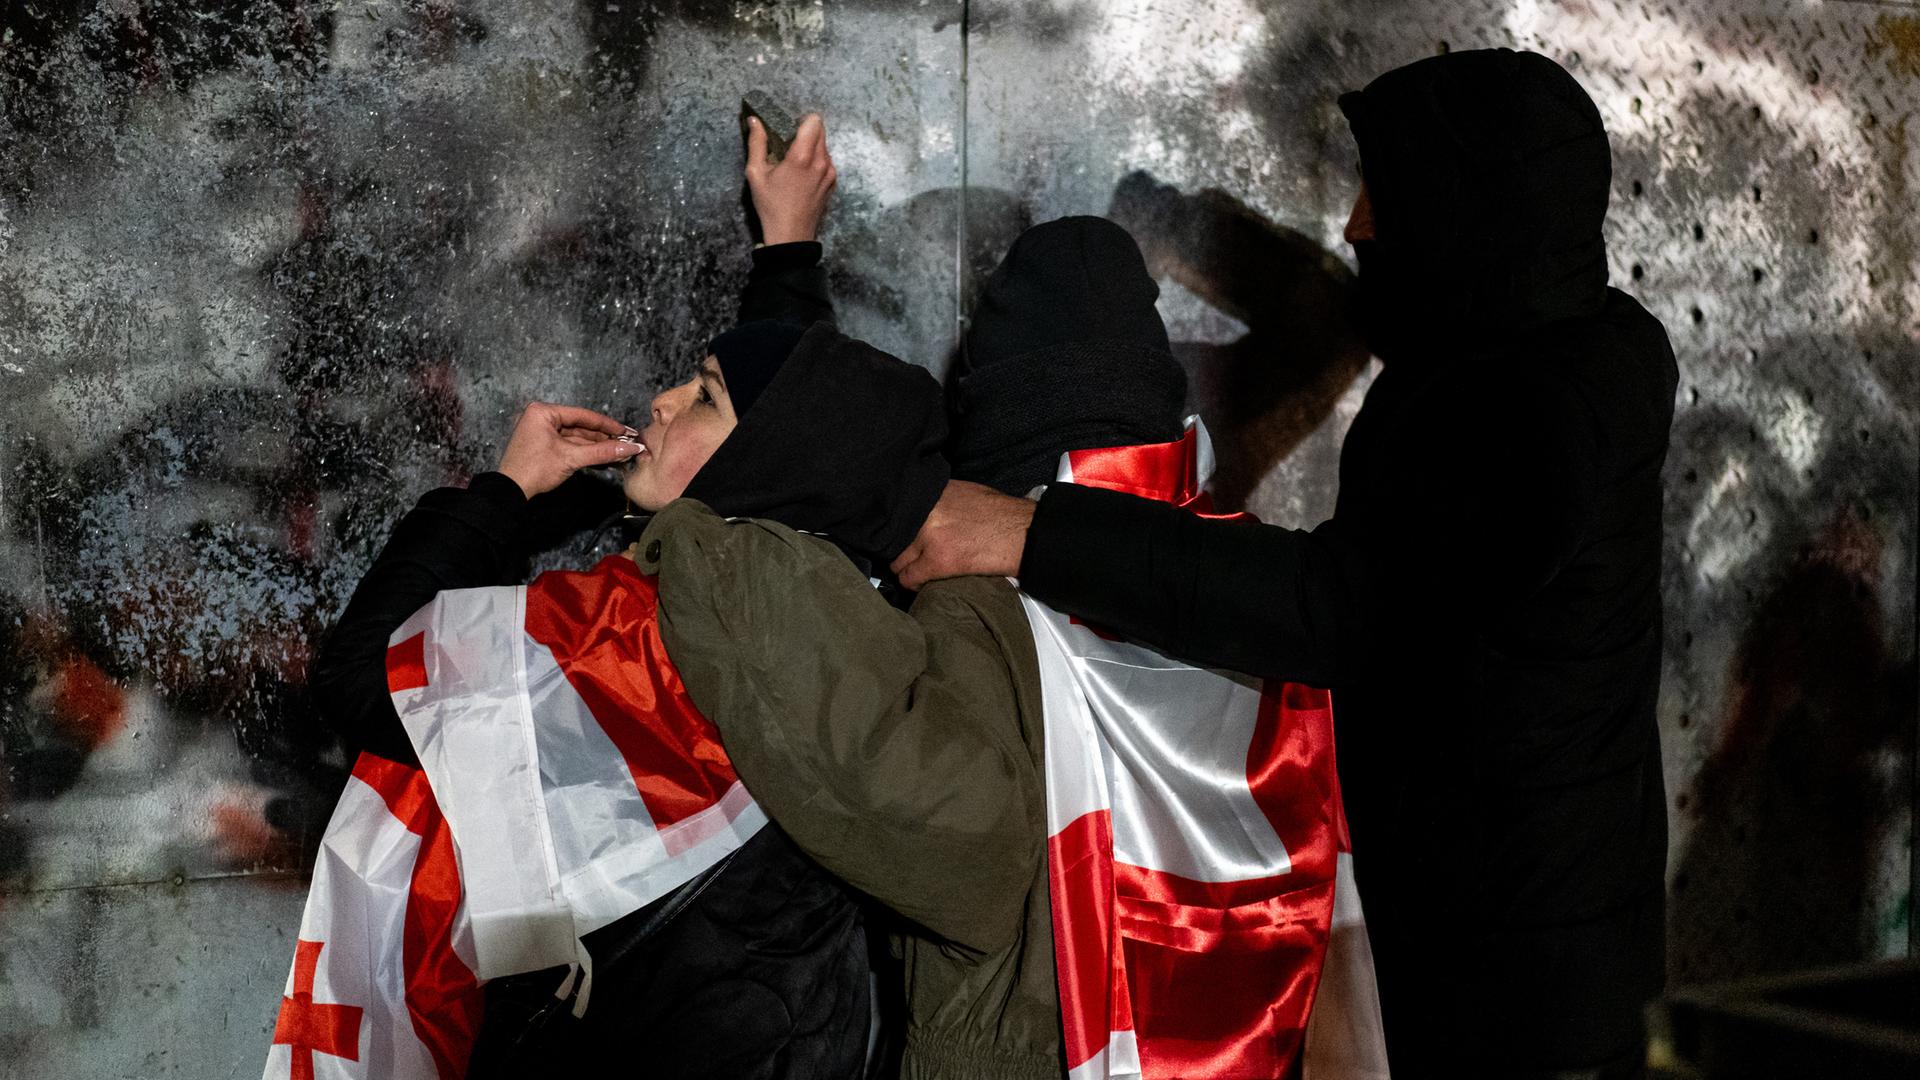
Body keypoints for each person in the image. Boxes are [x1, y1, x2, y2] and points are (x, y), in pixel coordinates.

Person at [893, 49, 1678, 1078]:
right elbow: (1329, 313)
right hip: (1511, 917)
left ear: (1463, 205)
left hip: (1521, 962)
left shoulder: (1537, 408)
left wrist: (1035, 533)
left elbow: (1342, 610)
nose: (1353, 225)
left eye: (1379, 194)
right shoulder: (1531, 342)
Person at [307, 114, 920, 1079]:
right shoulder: (850, 593)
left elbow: (359, 684)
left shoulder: (627, 646)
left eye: (703, 395)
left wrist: (500, 497)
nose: (664, 399)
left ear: (754, 457)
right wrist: (789, 251)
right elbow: (809, 427)